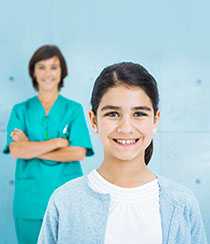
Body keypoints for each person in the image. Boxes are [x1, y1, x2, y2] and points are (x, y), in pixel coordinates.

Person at [37, 62, 207, 244]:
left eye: (139, 114)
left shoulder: (182, 203)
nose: (126, 128)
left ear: (155, 120)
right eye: (113, 114)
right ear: (93, 121)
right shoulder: (65, 202)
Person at [3, 45, 94, 244]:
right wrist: (56, 143)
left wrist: (31, 147)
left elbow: (78, 153)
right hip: (29, 202)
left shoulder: (73, 109)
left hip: (68, 198)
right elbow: (17, 150)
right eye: (41, 67)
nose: (48, 73)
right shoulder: (21, 110)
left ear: (62, 72)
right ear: (33, 72)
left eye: (54, 67)